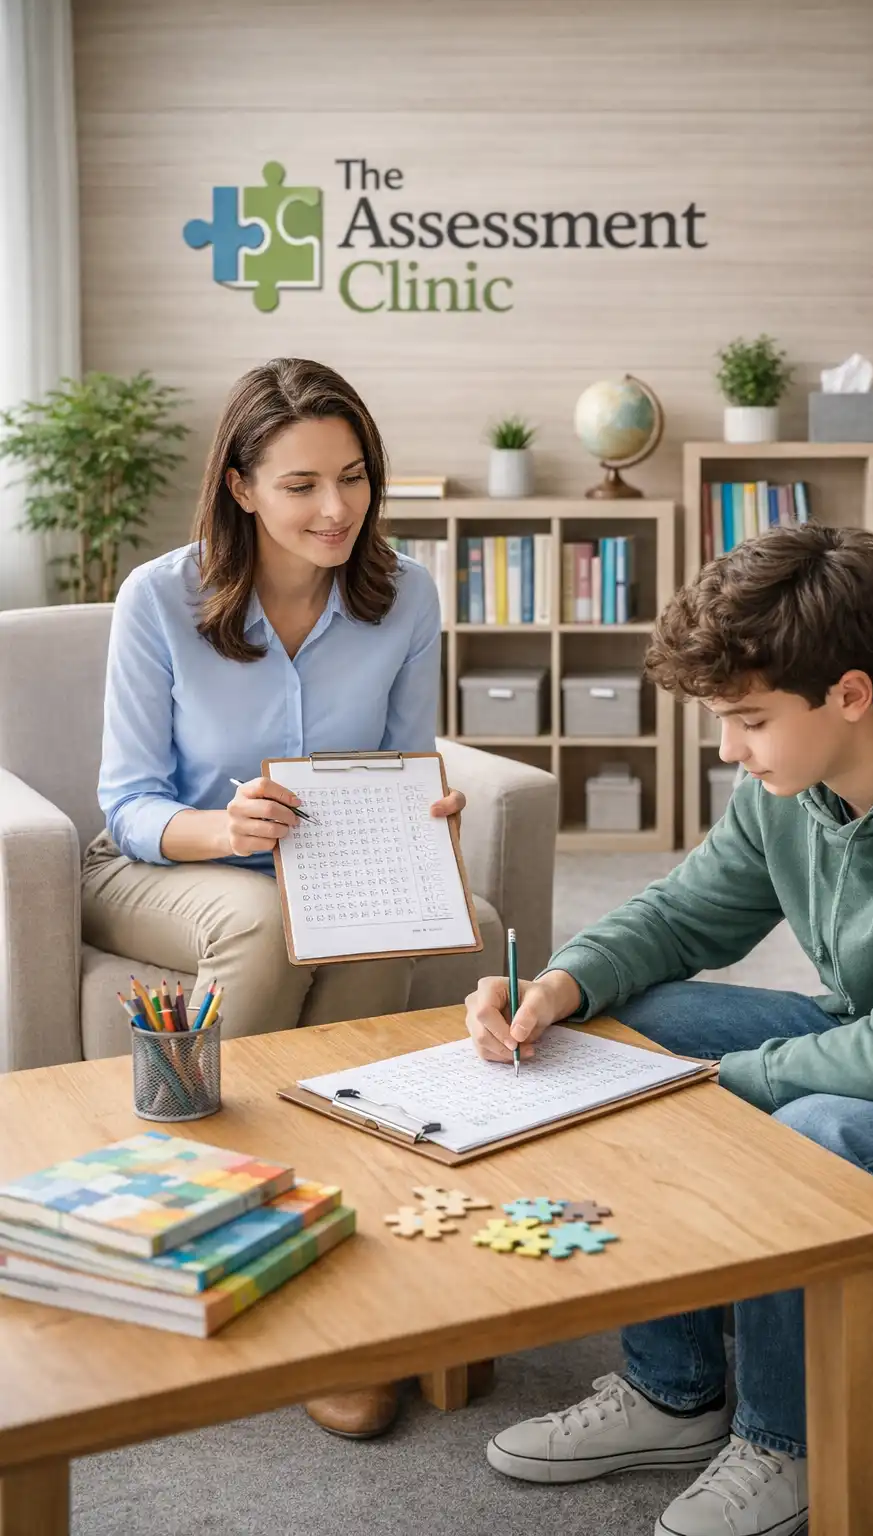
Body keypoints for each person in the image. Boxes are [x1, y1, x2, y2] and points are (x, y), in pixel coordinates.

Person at [465, 525, 873, 1536]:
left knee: (808, 1131)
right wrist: (559, 985)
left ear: (849, 694)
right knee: (636, 1024)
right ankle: (670, 1391)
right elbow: (684, 914)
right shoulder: (792, 784)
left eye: (750, 721)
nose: (729, 749)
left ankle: (786, 1442)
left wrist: (721, 1083)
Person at [84, 356, 462, 1441]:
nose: (336, 508)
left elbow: (405, 762)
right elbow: (130, 802)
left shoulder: (406, 595)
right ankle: (200, 1224)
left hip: (326, 872)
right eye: (301, 484)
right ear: (242, 486)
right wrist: (228, 829)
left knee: (382, 933)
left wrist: (426, 815)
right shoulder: (159, 598)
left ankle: (338, 1281)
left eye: (354, 477)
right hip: (160, 868)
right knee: (259, 920)